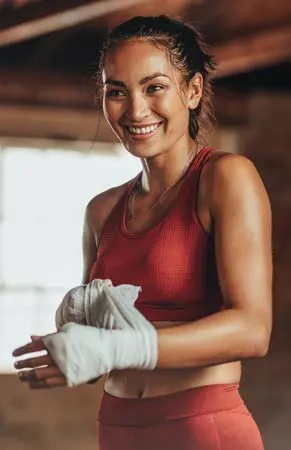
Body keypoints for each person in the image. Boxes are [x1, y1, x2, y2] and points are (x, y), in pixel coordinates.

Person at [12, 15, 273, 450]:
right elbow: (105, 353)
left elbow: (252, 329)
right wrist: (76, 345)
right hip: (117, 428)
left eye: (154, 87)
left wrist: (115, 349)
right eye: (117, 91)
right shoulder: (101, 211)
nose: (135, 110)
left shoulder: (225, 178)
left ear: (192, 90)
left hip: (201, 427)